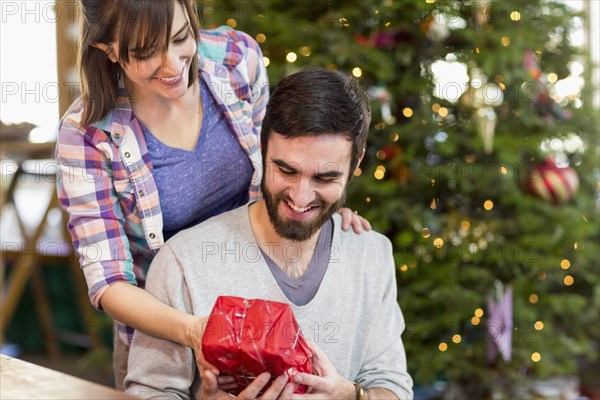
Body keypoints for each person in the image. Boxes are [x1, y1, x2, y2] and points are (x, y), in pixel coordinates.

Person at [55, 0, 368, 390]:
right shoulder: (87, 135)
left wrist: (323, 206)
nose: (173, 66)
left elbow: (282, 166)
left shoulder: (239, 60)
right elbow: (108, 282)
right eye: (145, 53)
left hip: (263, 313)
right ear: (109, 49)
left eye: (182, 37)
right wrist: (194, 331)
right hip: (168, 335)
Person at [124, 68, 413, 400]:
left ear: (356, 162)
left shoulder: (371, 255)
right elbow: (147, 393)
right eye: (286, 170)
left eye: (324, 179)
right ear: (263, 148)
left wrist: (351, 395)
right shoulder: (184, 262)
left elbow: (394, 389)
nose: (301, 197)